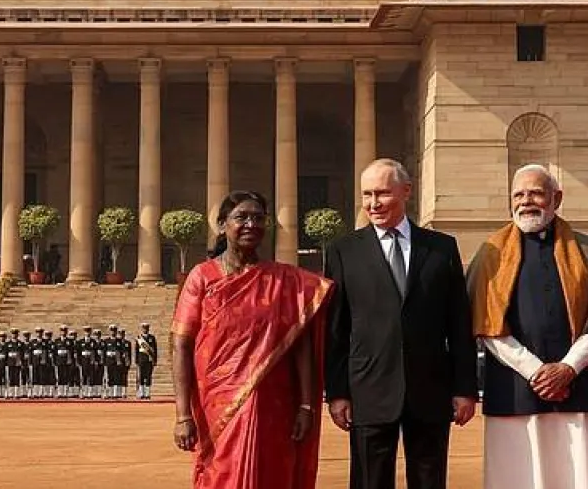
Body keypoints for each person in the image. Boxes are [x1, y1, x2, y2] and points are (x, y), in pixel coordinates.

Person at [466, 164, 588, 489]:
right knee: (517, 475)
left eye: (536, 192)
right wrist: (537, 372)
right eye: (518, 195)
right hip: (515, 389)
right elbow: (486, 322)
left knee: (579, 474)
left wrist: (567, 368)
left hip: (578, 386)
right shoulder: (490, 255)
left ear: (557, 198)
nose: (526, 201)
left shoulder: (586, 250)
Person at [324, 159, 478, 489]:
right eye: (367, 194)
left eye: (382, 193)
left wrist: (465, 388)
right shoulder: (342, 251)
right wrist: (337, 393)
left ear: (406, 191)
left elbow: (459, 325)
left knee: (429, 480)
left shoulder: (441, 248)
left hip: (430, 388)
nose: (373, 203)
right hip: (368, 390)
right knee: (369, 482)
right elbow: (335, 330)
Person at [173, 190, 333, 489]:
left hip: (276, 405)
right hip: (218, 404)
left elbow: (299, 344)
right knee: (221, 473)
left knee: (274, 471)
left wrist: (306, 406)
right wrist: (183, 415)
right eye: (241, 217)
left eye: (258, 218)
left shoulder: (285, 281)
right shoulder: (202, 277)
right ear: (222, 225)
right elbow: (182, 345)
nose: (251, 224)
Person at [135, 322, 158, 400]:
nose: (145, 329)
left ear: (148, 329)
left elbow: (155, 350)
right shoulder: (139, 338)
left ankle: (147, 393)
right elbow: (136, 350)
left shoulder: (152, 338)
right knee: (141, 377)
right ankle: (141, 393)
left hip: (149, 360)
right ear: (142, 329)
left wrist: (155, 360)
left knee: (148, 376)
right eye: (144, 328)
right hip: (141, 360)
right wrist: (136, 361)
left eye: (146, 328)